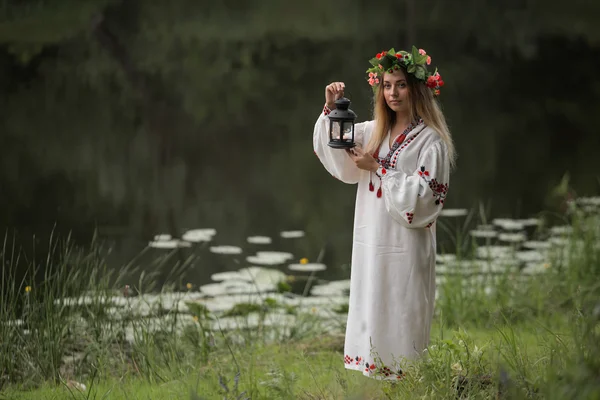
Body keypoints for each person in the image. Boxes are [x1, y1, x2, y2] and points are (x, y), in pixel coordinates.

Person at [312, 46, 456, 380]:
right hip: (371, 238)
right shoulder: (372, 131)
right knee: (374, 302)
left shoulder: (430, 141)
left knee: (403, 307)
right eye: (387, 85)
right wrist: (333, 109)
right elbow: (335, 149)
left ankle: (410, 380)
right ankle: (383, 381)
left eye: (401, 84)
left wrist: (378, 167)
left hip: (406, 245)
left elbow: (425, 199)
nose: (393, 93)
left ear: (417, 88)